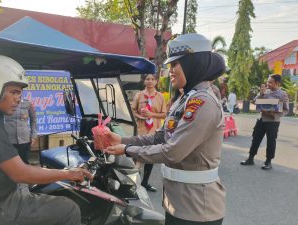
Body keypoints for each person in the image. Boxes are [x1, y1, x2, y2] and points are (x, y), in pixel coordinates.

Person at [0, 55, 92, 225]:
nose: (18, 98)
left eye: (20, 93)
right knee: (69, 209)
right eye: (14, 92)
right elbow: (20, 173)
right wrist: (68, 174)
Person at [103, 33, 226, 225]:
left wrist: (127, 150)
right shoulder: (184, 99)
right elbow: (158, 138)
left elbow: (172, 152)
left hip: (196, 209)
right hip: (177, 202)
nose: (170, 70)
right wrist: (121, 140)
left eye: (175, 64)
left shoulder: (202, 103)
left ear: (194, 64)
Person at [241, 74, 289, 170]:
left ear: (277, 83)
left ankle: (268, 162)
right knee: (255, 139)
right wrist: (261, 94)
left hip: (273, 121)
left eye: (270, 82)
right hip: (261, 119)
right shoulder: (264, 92)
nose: (268, 84)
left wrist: (274, 114)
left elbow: (285, 109)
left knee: (271, 141)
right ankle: (250, 158)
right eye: (268, 81)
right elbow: (254, 102)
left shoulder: (282, 94)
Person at [131, 73, 167, 192]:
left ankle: (145, 182)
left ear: (156, 81)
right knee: (137, 156)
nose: (150, 81)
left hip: (154, 130)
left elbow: (164, 114)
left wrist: (152, 114)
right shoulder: (139, 95)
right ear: (144, 81)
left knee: (150, 156)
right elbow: (133, 111)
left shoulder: (160, 97)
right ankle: (135, 185)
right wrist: (139, 117)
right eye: (147, 79)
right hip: (141, 130)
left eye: (152, 79)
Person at [4, 98, 37, 164]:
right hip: (9, 140)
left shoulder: (28, 103)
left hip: (24, 140)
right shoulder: (5, 103)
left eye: (18, 92)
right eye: (14, 92)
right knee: (10, 164)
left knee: (24, 162)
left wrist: (33, 136)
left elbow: (34, 120)